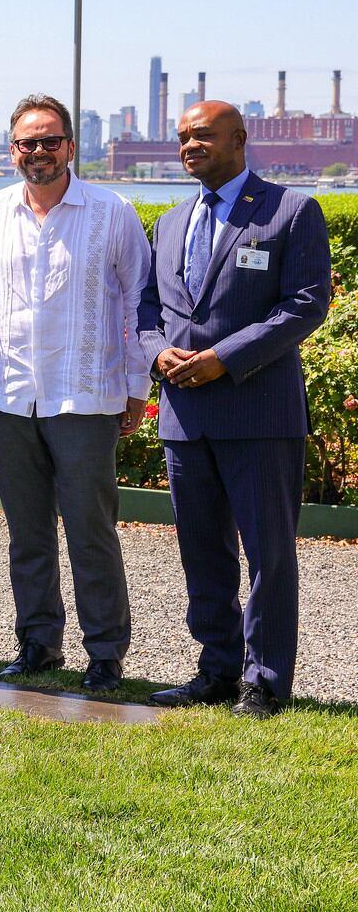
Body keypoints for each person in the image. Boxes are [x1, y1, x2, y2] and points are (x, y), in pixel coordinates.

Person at [139, 101, 331, 718]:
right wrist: (156, 353)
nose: (189, 145)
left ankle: (265, 682)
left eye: (202, 135)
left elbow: (305, 304)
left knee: (268, 554)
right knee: (202, 552)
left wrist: (225, 356)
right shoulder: (169, 223)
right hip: (185, 417)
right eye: (182, 138)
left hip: (258, 414)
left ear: (240, 139)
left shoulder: (290, 211)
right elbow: (148, 309)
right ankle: (217, 670)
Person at [0, 95, 150, 693]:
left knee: (90, 531)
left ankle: (105, 654)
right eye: (27, 142)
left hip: (86, 398)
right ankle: (38, 645)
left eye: (50, 140)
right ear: (13, 149)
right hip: (10, 399)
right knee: (26, 532)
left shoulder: (111, 210)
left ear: (71, 146)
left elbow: (137, 303)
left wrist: (134, 385)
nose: (39, 152)